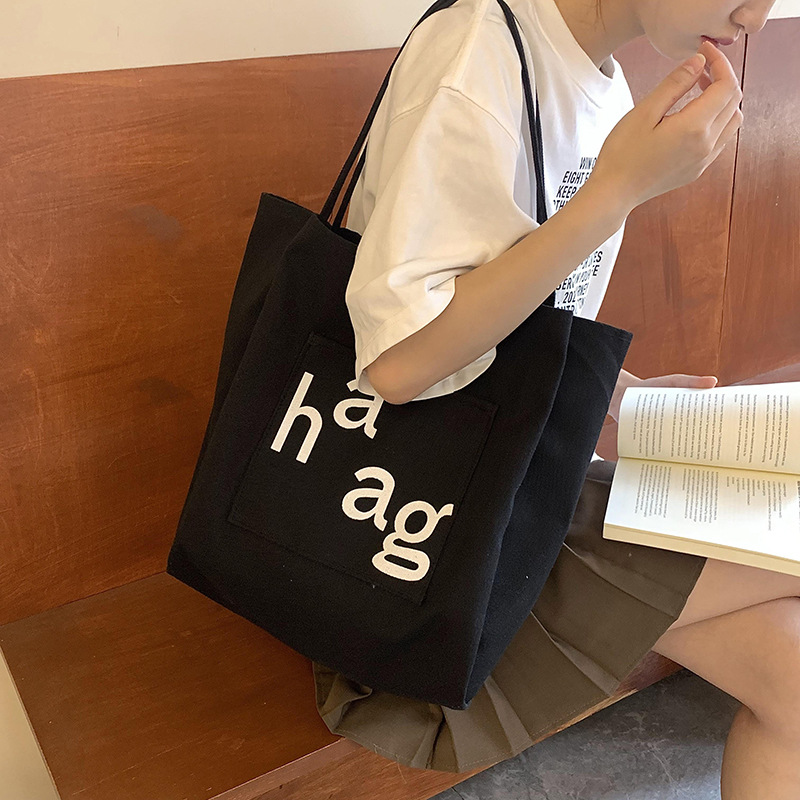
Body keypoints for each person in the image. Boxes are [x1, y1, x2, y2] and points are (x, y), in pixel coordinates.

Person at [312, 0, 800, 796]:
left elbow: (527, 321)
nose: (756, 16)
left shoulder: (599, 82)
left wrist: (620, 396)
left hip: (521, 481)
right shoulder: (478, 53)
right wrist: (617, 189)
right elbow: (399, 367)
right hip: (423, 537)